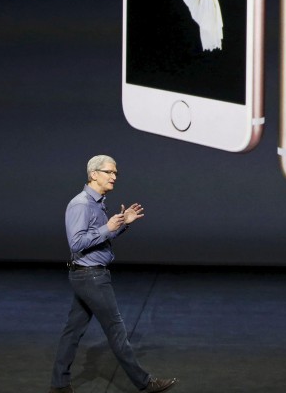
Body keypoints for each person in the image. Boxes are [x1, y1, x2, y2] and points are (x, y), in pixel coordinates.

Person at [48, 155, 177, 393]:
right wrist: (107, 227)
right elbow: (76, 243)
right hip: (91, 277)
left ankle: (59, 385)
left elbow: (99, 240)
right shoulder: (82, 204)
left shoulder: (97, 203)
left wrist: (122, 224)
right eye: (109, 172)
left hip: (86, 275)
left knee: (72, 331)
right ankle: (145, 382)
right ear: (94, 174)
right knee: (116, 331)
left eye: (115, 173)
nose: (114, 177)